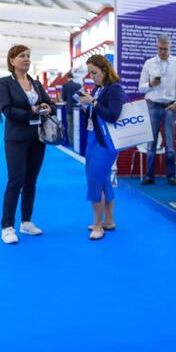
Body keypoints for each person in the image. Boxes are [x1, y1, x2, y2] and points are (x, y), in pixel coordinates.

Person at [0, 45, 55, 244]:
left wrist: (47, 106)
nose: (26, 59)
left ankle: (27, 221)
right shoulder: (4, 83)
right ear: (12, 60)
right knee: (15, 181)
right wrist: (31, 112)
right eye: (22, 56)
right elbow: (7, 109)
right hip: (16, 138)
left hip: (37, 138)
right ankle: (7, 226)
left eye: (28, 56)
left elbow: (50, 104)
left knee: (31, 181)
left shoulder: (36, 83)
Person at [77, 55, 125, 241]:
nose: (92, 76)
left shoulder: (115, 89)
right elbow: (94, 114)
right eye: (90, 73)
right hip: (93, 138)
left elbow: (112, 115)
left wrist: (93, 103)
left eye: (94, 72)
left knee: (95, 180)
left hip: (106, 142)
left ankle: (98, 225)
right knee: (103, 179)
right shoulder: (99, 88)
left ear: (105, 71)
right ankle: (109, 220)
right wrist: (85, 105)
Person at [138, 33, 176, 186]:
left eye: (165, 49)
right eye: (160, 49)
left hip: (170, 106)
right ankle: (149, 176)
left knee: (170, 144)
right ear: (156, 47)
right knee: (151, 143)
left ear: (169, 47)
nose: (162, 52)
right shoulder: (149, 63)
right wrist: (151, 84)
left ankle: (170, 176)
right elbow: (141, 87)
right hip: (153, 105)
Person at [61, 71, 82, 146]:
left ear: (67, 77)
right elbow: (81, 97)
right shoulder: (78, 85)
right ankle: (78, 142)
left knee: (70, 126)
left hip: (69, 108)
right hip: (78, 108)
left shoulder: (65, 86)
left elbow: (64, 98)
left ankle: (72, 143)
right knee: (78, 126)